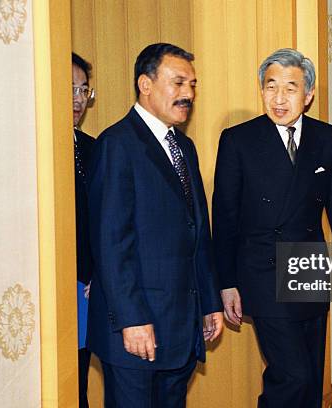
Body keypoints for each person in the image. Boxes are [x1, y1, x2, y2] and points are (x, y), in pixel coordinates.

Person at [212, 48, 332, 408]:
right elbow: (225, 215)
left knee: (310, 379)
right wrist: (225, 281)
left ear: (308, 95)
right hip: (262, 272)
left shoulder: (327, 139)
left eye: (290, 88)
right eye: (271, 87)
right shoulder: (238, 140)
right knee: (291, 376)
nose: (279, 98)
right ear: (261, 90)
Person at [86, 43, 223, 408]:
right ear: (145, 84)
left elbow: (198, 232)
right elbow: (111, 243)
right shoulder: (117, 145)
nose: (188, 94)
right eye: (177, 83)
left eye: (193, 84)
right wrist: (131, 320)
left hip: (180, 325)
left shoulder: (184, 146)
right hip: (136, 328)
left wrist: (209, 302)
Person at [72, 51, 96, 408]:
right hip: (57, 284)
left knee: (81, 376)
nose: (78, 99)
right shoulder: (36, 148)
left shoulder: (94, 147)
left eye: (83, 90)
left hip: (91, 285)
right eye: (70, 89)